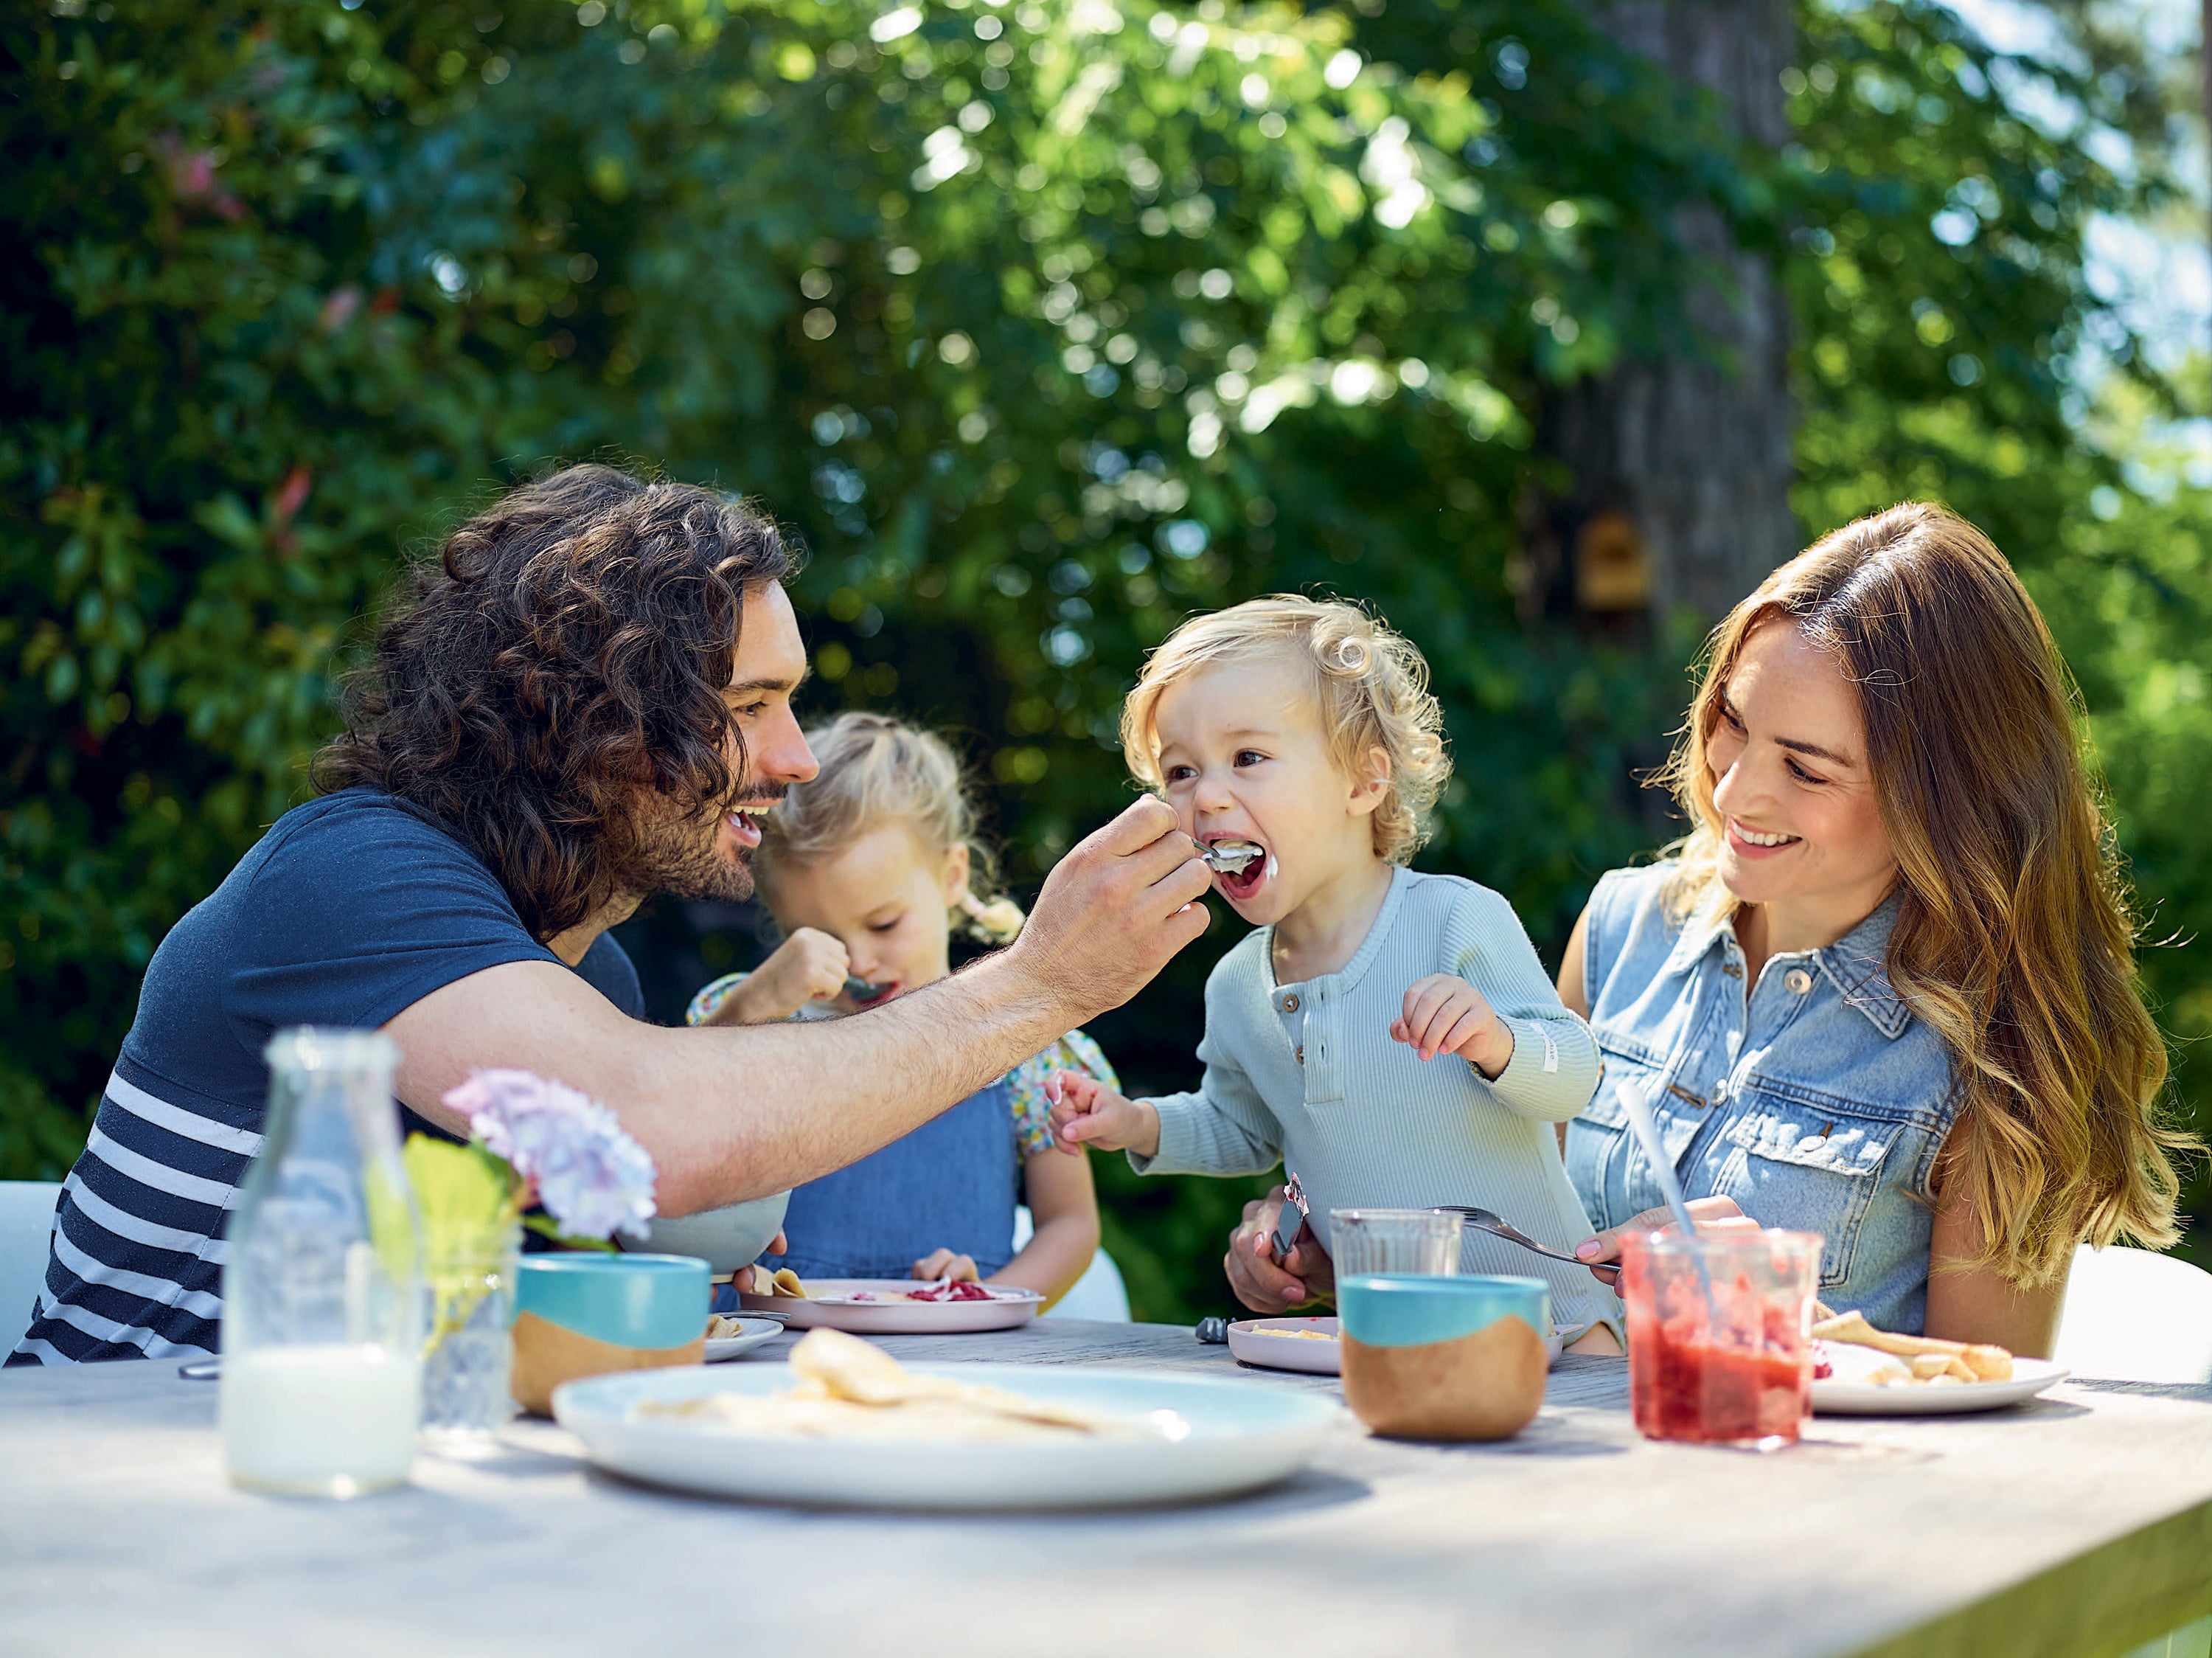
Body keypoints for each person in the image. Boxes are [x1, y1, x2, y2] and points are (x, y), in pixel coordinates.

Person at [12, 465, 1210, 1364]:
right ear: (589, 719)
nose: (796, 757)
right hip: (132, 1482)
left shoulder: (602, 987)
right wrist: (1043, 983)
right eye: (753, 705)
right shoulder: (353, 874)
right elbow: (647, 1125)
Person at [1221, 504, 2197, 1356]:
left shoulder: (2001, 1054)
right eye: (1732, 722)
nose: (1735, 788)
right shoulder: (1618, 935)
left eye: (1806, 769)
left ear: (1945, 801)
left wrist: (1768, 1301)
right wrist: (1337, 1243)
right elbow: (1503, 1232)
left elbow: (1986, 1411)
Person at [1048, 597, 1621, 1348]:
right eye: (1181, 771)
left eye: (1248, 758)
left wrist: (1496, 1041)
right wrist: (1136, 1122)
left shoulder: (1456, 920)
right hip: (1384, 1337)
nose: (1207, 795)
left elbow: (1576, 1073)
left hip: (1556, 1327)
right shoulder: (1235, 984)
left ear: (1362, 783)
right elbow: (1242, 1126)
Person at [686, 712, 1109, 1303]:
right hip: (779, 1354)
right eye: (818, 937)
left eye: (884, 923)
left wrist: (982, 1299)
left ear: (952, 876)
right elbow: (676, 1121)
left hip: (958, 1361)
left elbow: (1070, 1226)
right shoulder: (752, 1016)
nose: (859, 962)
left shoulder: (1021, 1044)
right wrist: (759, 1002)